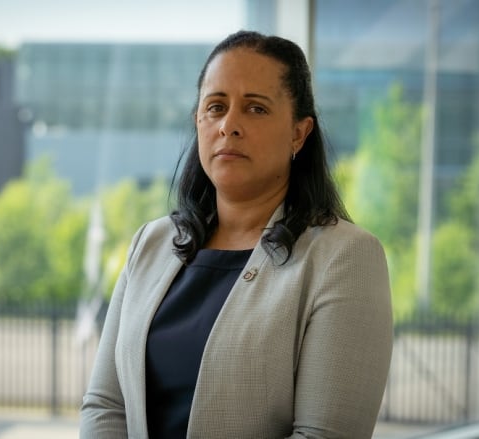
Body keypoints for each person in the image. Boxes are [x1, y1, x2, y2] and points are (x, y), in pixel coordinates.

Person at [80, 30, 392, 438]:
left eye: (256, 109)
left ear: (299, 133)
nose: (230, 125)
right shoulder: (151, 244)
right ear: (198, 122)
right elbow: (106, 403)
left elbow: (323, 435)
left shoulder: (345, 257)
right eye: (215, 107)